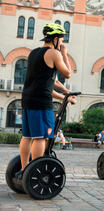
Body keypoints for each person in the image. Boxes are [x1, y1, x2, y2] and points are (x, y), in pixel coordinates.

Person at [17, 23, 77, 180]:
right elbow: (67, 73)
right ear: (56, 39)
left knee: (27, 136)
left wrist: (65, 92)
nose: (62, 43)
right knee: (41, 136)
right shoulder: (54, 53)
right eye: (61, 40)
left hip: (28, 98)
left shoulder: (34, 53)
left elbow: (50, 80)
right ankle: (35, 171)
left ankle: (25, 170)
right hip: (41, 101)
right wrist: (64, 53)